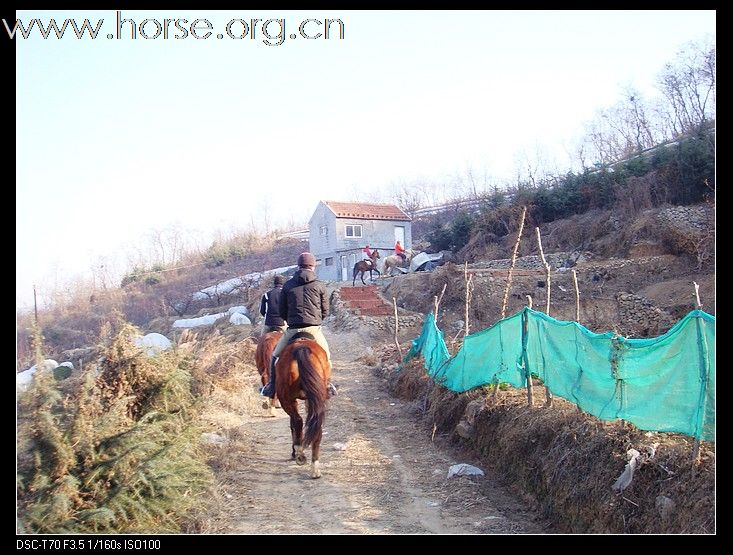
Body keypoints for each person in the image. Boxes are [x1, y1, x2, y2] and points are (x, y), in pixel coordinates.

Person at [260, 252, 337, 399]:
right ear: (313, 267)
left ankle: (271, 386)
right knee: (326, 356)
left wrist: (290, 320)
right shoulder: (320, 285)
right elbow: (325, 310)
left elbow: (282, 310)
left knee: (275, 356)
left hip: (292, 329)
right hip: (313, 329)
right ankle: (327, 384)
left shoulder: (288, 286)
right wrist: (317, 320)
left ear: (298, 266)